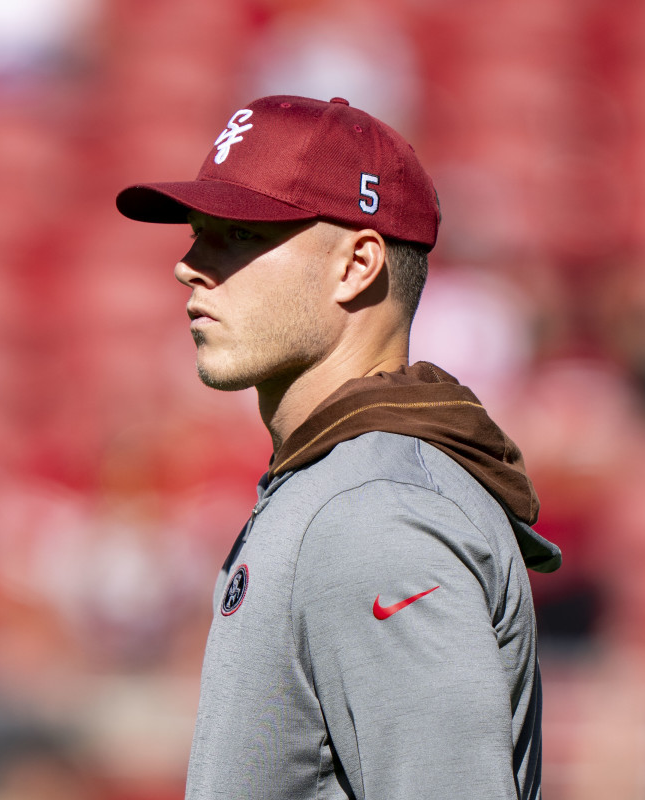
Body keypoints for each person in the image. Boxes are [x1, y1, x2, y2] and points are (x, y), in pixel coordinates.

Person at [115, 95, 561, 800]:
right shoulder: (342, 485)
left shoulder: (378, 515)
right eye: (199, 231)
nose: (187, 265)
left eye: (236, 234)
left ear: (356, 265)